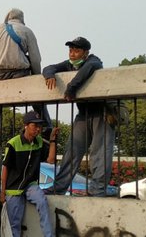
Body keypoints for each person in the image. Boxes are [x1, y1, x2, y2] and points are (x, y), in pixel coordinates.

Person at [43, 36, 114, 197]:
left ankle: (97, 191)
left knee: (99, 152)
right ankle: (58, 188)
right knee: (71, 151)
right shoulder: (69, 65)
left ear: (86, 52)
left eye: (76, 50)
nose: (72, 54)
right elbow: (49, 67)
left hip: (101, 112)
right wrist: (50, 75)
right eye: (70, 50)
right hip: (83, 113)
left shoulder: (94, 61)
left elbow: (89, 68)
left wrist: (71, 88)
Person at [0, 8, 51, 138]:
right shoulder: (27, 31)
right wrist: (36, 76)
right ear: (22, 19)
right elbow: (35, 58)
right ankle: (47, 124)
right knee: (35, 95)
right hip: (20, 72)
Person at [0, 111, 58, 237]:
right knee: (14, 223)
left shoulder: (39, 142)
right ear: (25, 125)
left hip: (30, 185)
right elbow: (5, 168)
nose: (38, 129)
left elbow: (50, 160)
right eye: (34, 125)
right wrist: (3, 192)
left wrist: (52, 140)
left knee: (42, 201)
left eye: (39, 126)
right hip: (13, 188)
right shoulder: (13, 143)